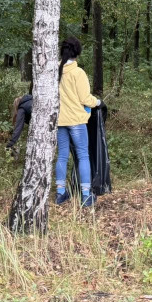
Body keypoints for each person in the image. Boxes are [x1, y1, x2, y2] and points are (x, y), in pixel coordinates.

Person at [55, 36, 101, 208]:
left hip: (60, 120)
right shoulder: (78, 73)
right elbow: (85, 98)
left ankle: (60, 193)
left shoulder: (55, 71)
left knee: (62, 155)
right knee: (83, 156)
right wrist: (98, 102)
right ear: (77, 52)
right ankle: (86, 196)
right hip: (76, 120)